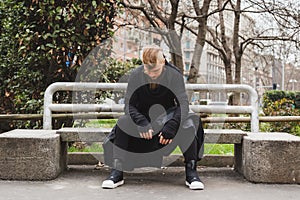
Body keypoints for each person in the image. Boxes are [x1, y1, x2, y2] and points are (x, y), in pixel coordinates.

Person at [102, 45, 205, 190]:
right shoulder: (136, 75)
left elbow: (183, 104)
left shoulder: (174, 74)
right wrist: (141, 122)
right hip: (142, 122)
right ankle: (117, 172)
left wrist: (172, 125)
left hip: (166, 120)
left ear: (163, 62)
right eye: (147, 70)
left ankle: (191, 172)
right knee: (123, 122)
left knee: (188, 123)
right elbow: (128, 106)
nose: (151, 75)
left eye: (155, 70)